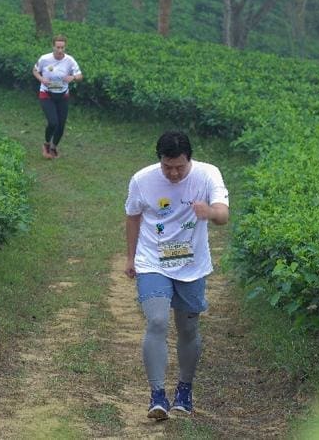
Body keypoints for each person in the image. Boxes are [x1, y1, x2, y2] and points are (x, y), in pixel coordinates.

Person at [124, 130, 230, 420]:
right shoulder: (142, 179)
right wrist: (131, 258)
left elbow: (223, 214)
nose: (172, 173)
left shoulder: (208, 175)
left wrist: (207, 211)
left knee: (187, 330)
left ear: (189, 160)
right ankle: (157, 395)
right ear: (159, 160)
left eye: (179, 167)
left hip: (191, 265)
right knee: (157, 321)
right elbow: (133, 217)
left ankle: (184, 389)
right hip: (153, 261)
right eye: (167, 166)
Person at [31, 34, 82, 159]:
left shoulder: (70, 60)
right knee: (53, 122)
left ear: (65, 47)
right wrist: (41, 79)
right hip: (46, 94)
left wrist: (73, 77)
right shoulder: (44, 59)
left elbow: (80, 76)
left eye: (62, 47)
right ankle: (46, 144)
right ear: (53, 46)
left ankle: (54, 147)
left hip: (62, 96)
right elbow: (35, 70)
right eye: (57, 47)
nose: (60, 50)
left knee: (61, 125)